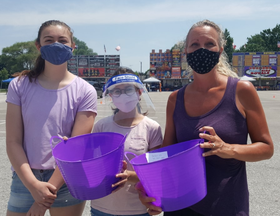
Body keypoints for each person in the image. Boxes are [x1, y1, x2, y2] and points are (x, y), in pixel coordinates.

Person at [137, 19, 274, 216]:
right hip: (180, 206)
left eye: (209, 44)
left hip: (228, 206)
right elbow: (166, 158)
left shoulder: (241, 90)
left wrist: (227, 148)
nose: (202, 49)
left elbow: (266, 148)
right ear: (186, 52)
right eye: (195, 44)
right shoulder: (176, 99)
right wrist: (150, 192)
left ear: (220, 50)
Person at [6, 20, 97, 216]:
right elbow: (13, 141)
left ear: (73, 46)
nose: (56, 44)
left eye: (62, 40)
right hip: (26, 176)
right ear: (38, 46)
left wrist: (44, 198)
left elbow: (76, 146)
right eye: (49, 40)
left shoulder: (85, 91)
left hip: (66, 177)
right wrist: (32, 185)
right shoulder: (19, 85)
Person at [90, 67, 163, 216]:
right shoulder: (101, 126)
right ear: (111, 95)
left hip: (137, 209)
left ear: (139, 92)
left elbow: (156, 172)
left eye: (128, 89)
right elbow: (92, 165)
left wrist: (128, 176)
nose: (123, 95)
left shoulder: (151, 128)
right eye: (117, 91)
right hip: (101, 208)